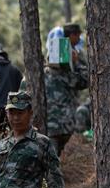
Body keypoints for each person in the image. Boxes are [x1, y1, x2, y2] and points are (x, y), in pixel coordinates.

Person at [20, 24, 89, 155]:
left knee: (50, 159)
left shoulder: (38, 75)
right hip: (65, 125)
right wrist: (77, 63)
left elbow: (22, 91)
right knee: (52, 160)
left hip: (48, 125)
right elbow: (85, 81)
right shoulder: (68, 76)